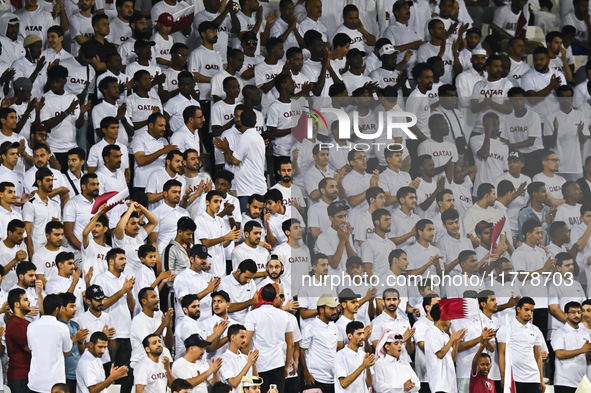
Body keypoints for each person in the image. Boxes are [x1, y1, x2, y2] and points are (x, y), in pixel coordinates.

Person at [93, 248, 135, 393]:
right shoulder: (101, 279)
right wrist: (122, 291)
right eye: (121, 259)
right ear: (111, 261)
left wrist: (128, 291)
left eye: (125, 259)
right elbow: (102, 304)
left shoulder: (125, 279)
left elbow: (131, 306)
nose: (124, 262)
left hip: (126, 332)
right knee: (109, 374)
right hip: (111, 334)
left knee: (125, 376)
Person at [498, 297, 546, 393]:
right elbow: (501, 354)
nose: (529, 313)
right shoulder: (506, 328)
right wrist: (504, 377)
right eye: (526, 310)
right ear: (518, 309)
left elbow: (538, 356)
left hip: (533, 378)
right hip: (515, 378)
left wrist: (541, 379)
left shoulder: (535, 330)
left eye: (531, 311)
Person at [27, 294, 73, 393]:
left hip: (36, 381)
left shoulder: (31, 326)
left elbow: (31, 348)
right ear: (57, 309)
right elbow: (67, 352)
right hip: (55, 383)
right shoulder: (62, 328)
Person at [300, 294, 340, 393]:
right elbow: (301, 352)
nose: (335, 311)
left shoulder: (334, 327)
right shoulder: (310, 327)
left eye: (335, 308)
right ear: (321, 310)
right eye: (331, 308)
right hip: (315, 378)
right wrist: (306, 373)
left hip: (333, 378)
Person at [424, 303, 467, 393]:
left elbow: (453, 358)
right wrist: (452, 339)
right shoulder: (431, 332)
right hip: (439, 385)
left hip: (450, 385)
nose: (450, 319)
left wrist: (455, 343)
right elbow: (440, 354)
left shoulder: (445, 335)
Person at [552, 301, 591, 393]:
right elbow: (559, 354)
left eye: (579, 312)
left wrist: (589, 352)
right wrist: (581, 350)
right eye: (573, 312)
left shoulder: (585, 334)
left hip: (582, 383)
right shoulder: (559, 332)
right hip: (564, 383)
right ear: (566, 315)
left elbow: (588, 359)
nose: (576, 315)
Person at [113, 201, 159, 277]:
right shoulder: (121, 239)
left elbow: (154, 221)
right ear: (125, 225)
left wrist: (142, 208)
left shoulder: (140, 235)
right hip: (128, 281)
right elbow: (120, 227)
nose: (137, 226)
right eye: (133, 223)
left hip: (142, 279)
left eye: (138, 223)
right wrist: (130, 209)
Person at [46, 252, 89, 320]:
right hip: (64, 322)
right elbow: (62, 302)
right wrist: (74, 283)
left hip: (81, 321)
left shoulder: (79, 280)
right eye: (70, 263)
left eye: (73, 263)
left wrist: (87, 283)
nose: (73, 266)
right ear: (60, 265)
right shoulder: (51, 284)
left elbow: (87, 301)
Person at [335, 321, 373, 393]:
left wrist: (367, 367)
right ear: (350, 336)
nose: (362, 337)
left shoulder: (363, 355)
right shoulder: (340, 355)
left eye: (363, 333)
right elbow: (343, 383)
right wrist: (363, 366)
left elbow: (369, 383)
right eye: (359, 334)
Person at [6, 288, 32, 393]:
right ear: (17, 304)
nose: (29, 302)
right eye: (25, 300)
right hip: (19, 376)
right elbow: (29, 348)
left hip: (26, 374)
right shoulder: (15, 324)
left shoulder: (24, 322)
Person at [219, 324, 259, 393]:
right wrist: (249, 364)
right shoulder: (224, 359)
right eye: (242, 337)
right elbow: (234, 383)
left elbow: (256, 382)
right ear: (233, 337)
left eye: (245, 337)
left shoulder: (246, 358)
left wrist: (253, 364)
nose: (245, 340)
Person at [218, 259, 258, 323]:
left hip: (246, 324)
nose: (248, 281)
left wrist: (256, 302)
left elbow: (255, 303)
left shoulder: (251, 282)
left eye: (251, 278)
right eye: (246, 277)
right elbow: (227, 308)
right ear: (238, 271)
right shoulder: (224, 283)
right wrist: (251, 302)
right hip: (229, 325)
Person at [0, 219, 28, 291]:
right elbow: (1, 273)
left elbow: (25, 270)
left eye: (23, 233)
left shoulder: (23, 245)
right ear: (10, 233)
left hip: (19, 290)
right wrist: (16, 260)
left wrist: (22, 262)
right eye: (19, 233)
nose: (22, 237)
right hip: (3, 290)